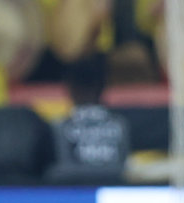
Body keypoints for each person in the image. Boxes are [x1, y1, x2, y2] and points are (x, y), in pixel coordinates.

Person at [45, 53, 130, 184]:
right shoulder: (120, 124)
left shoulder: (60, 126)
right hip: (112, 191)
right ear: (103, 88)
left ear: (71, 89)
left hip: (72, 192)